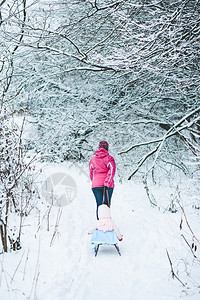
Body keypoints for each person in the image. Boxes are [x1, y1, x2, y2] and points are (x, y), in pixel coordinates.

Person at [89, 141, 116, 219]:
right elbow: (112, 171)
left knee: (99, 205)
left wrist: (95, 182)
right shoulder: (109, 158)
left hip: (95, 185)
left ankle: (99, 224)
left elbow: (91, 172)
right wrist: (107, 183)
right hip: (107, 186)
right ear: (107, 148)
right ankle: (106, 224)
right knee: (106, 206)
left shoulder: (93, 159)